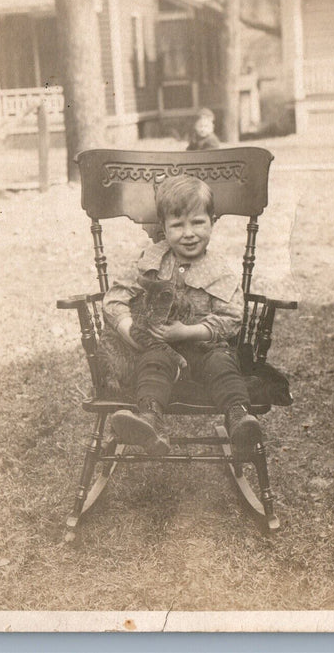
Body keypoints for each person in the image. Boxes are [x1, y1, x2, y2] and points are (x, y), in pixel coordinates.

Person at [102, 174, 262, 456]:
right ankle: (150, 420)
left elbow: (232, 317)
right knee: (153, 363)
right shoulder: (151, 261)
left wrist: (189, 332)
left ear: (213, 221)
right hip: (159, 350)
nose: (188, 233)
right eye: (177, 225)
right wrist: (129, 330)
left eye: (198, 222)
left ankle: (238, 417)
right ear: (163, 227)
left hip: (205, 348)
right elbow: (115, 297)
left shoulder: (219, 270)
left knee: (222, 364)